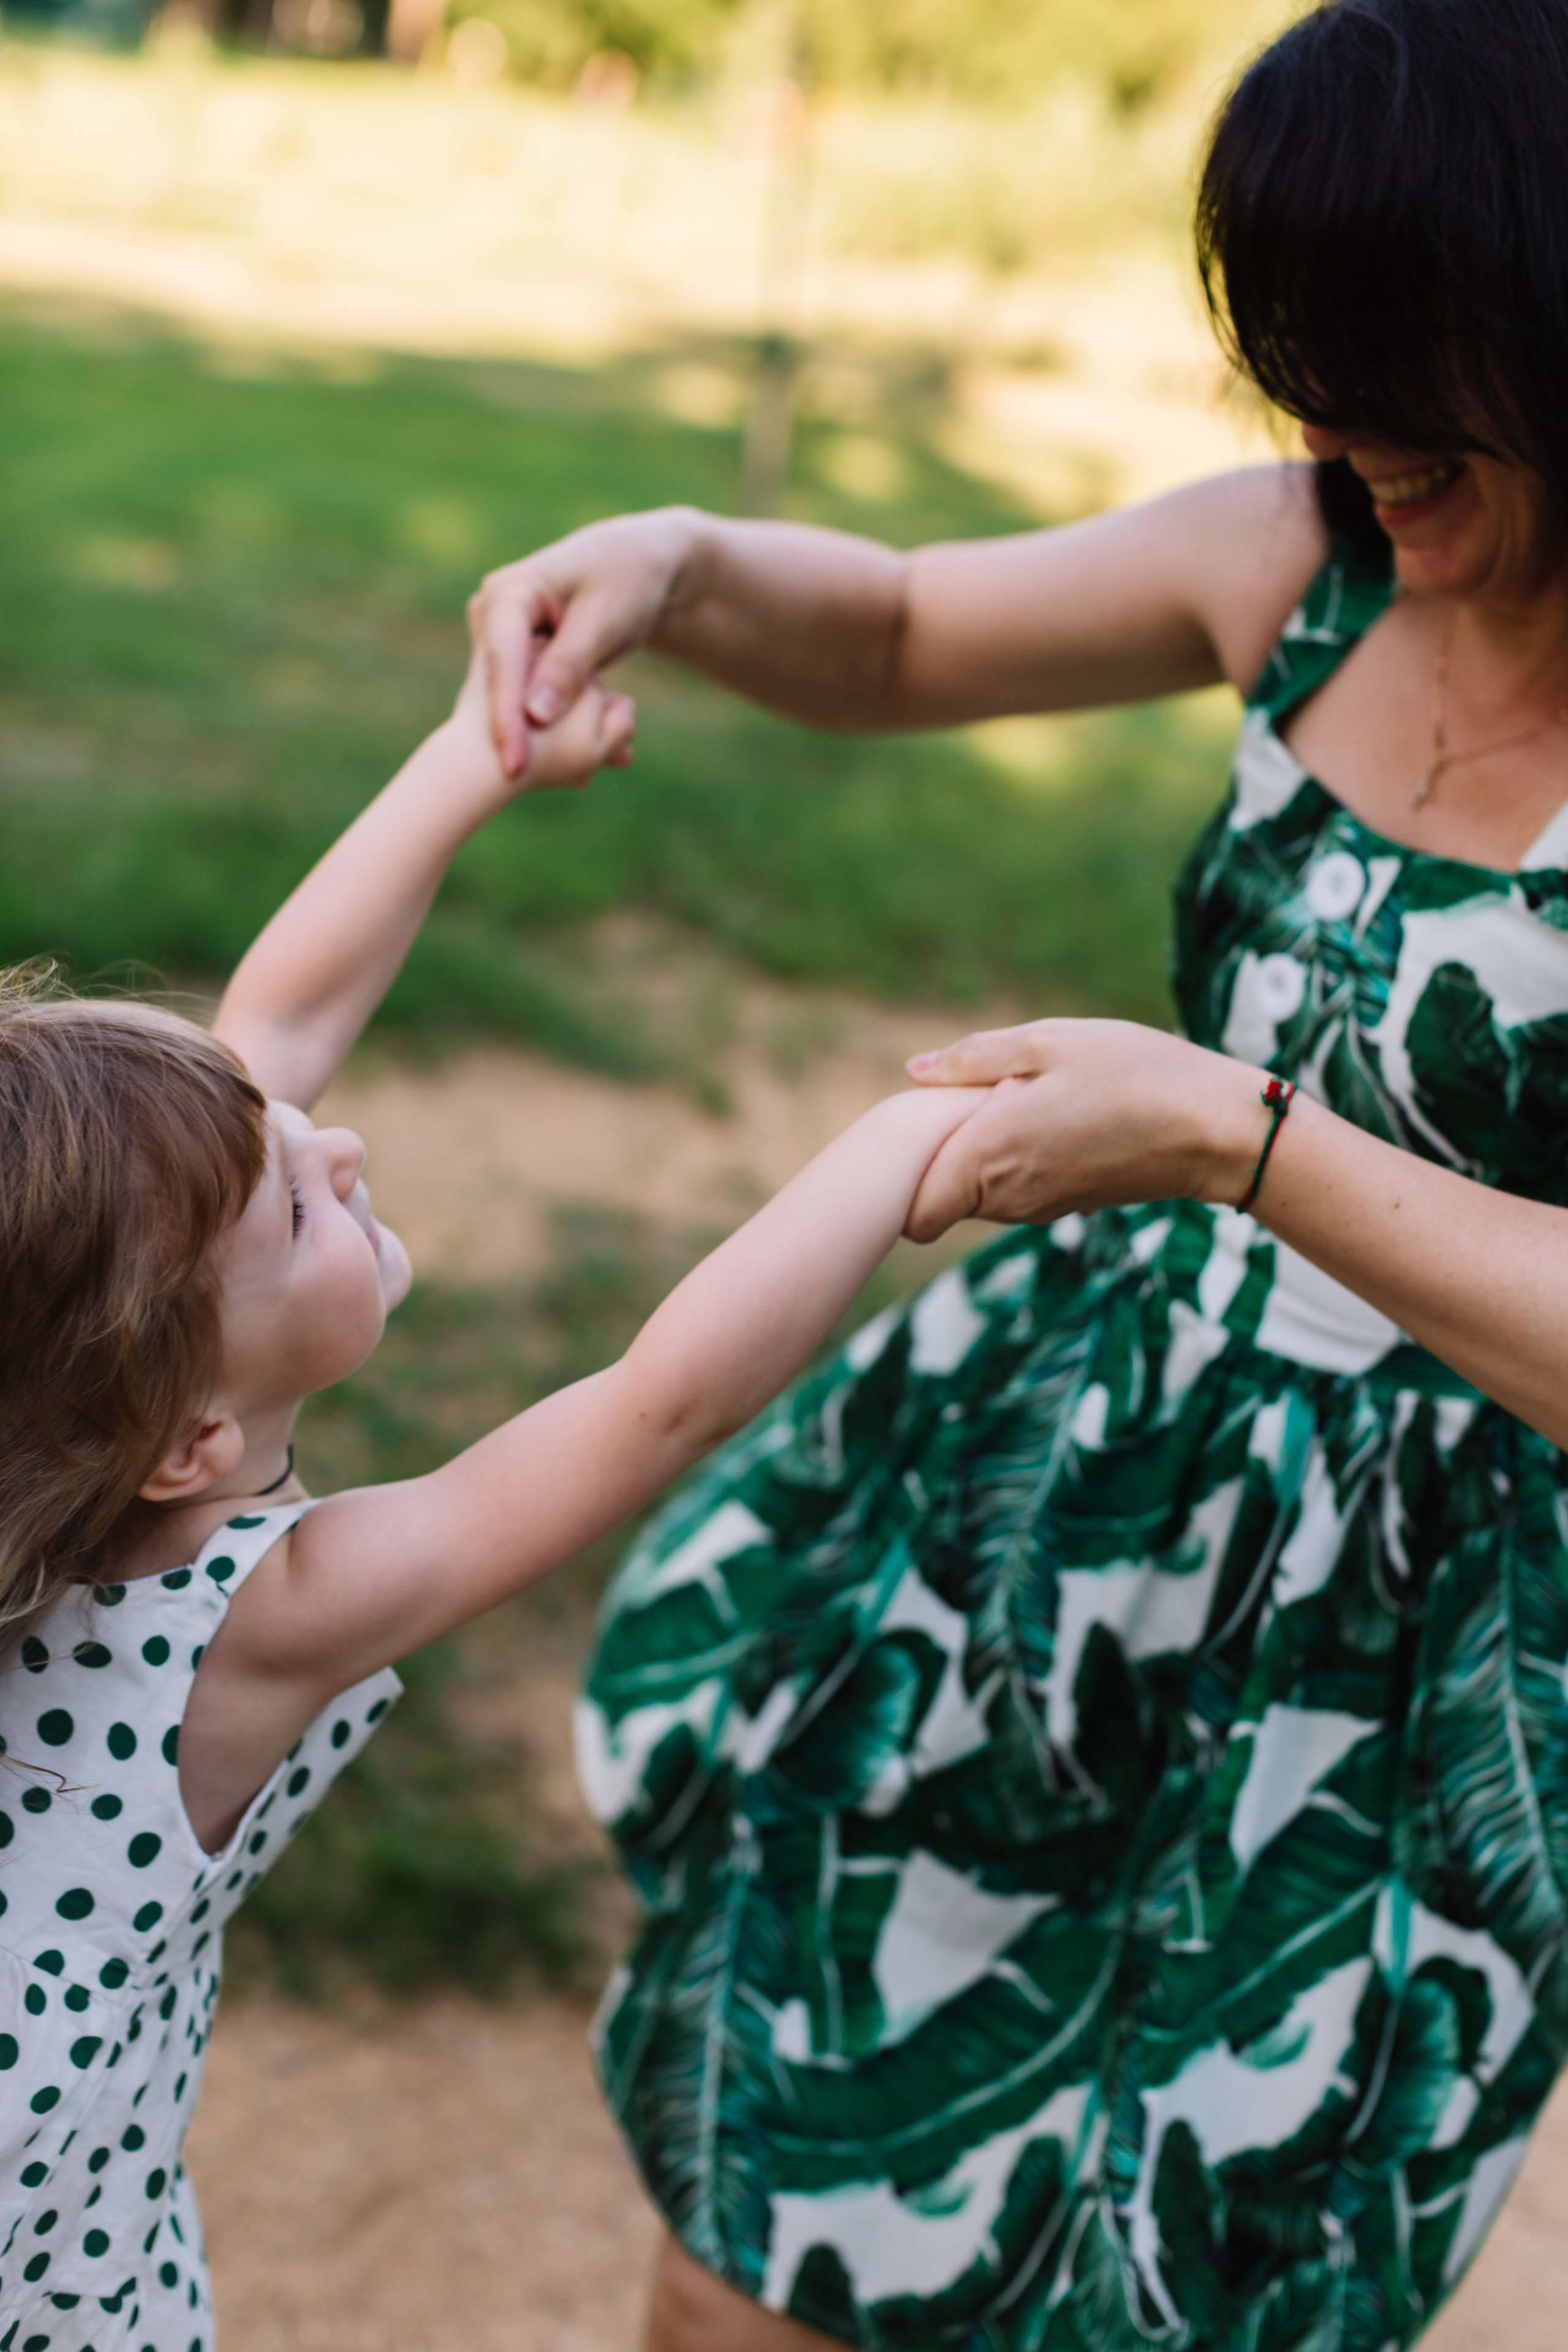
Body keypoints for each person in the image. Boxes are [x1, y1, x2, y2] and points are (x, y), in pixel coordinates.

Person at [466, 1, 1568, 2346]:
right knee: (787, 2133)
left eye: (1383, 349)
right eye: (1290, 346)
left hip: (1427, 1655)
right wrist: (674, 557)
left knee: (1194, 2262)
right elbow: (885, 628)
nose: (1321, 417)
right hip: (1061, 1511)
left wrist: (1238, 1142)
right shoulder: (1314, 558)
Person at [0, 624, 989, 2352]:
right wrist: (902, 1153)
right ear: (187, 1451)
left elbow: (280, 1020)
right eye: (297, 1206)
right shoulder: (249, 1628)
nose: (334, 1141)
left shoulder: (60, 1427)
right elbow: (653, 1411)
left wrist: (473, 757)